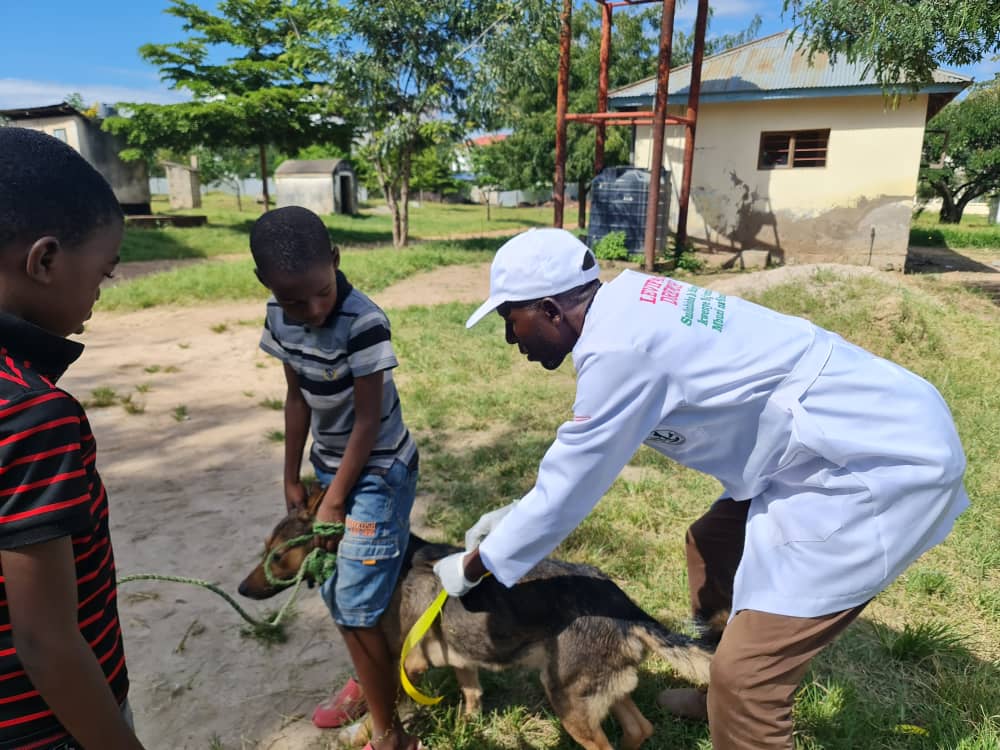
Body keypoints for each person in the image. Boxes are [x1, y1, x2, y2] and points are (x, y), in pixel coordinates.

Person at [433, 227, 969, 749]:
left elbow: (568, 488)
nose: (510, 337)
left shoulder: (621, 349)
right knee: (712, 544)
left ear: (550, 309)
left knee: (750, 681)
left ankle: (737, 698)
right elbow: (574, 467)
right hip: (833, 434)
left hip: (873, 464)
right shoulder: (626, 302)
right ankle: (720, 691)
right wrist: (514, 520)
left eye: (511, 319)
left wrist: (472, 566)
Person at [250, 206, 421, 750]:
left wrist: (336, 498)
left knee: (353, 599)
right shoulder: (279, 318)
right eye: (294, 300)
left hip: (377, 472)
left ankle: (390, 734)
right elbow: (296, 397)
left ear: (336, 261)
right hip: (330, 469)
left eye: (320, 292)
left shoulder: (364, 321)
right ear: (267, 286)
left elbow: (368, 422)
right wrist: (292, 475)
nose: (312, 309)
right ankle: (369, 676)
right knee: (339, 586)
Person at [0, 128, 145, 749]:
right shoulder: (32, 413)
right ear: (46, 259)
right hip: (49, 732)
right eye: (103, 272)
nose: (99, 293)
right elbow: (46, 641)